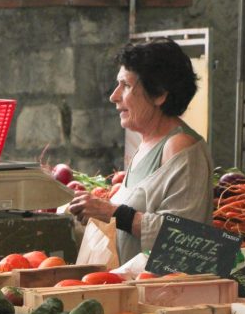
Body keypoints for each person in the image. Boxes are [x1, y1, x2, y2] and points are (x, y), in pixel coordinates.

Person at [68, 38, 213, 265]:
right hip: (129, 288)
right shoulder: (146, 144)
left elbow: (186, 238)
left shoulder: (181, 147)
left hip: (162, 295)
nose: (114, 96)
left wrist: (113, 214)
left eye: (126, 85)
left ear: (159, 94)